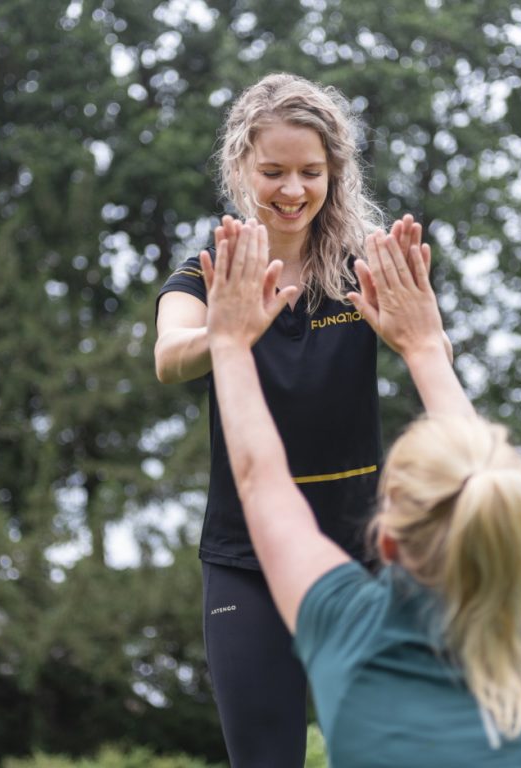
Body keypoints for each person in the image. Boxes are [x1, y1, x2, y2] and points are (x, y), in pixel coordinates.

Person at [201, 220, 521, 767]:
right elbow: (484, 484)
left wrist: (227, 342)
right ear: (507, 520)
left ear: (387, 545)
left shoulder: (355, 636)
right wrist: (423, 348)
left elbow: (259, 480)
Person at [154, 73, 450, 766]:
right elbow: (170, 357)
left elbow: (430, 344)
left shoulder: (362, 266)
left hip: (363, 554)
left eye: (311, 172)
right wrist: (225, 331)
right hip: (246, 561)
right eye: (274, 171)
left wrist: (419, 332)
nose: (293, 190)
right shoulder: (210, 274)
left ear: (334, 172)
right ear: (240, 169)